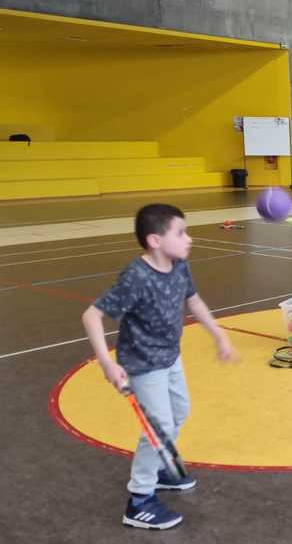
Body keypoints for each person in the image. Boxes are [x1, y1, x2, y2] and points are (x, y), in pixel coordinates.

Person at [81, 203, 235, 530]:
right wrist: (106, 362)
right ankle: (139, 500)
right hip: (142, 363)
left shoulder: (179, 265)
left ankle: (160, 468)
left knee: (179, 411)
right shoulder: (136, 277)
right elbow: (91, 315)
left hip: (170, 356)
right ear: (155, 240)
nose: (189, 238)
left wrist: (218, 335)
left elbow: (193, 300)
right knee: (159, 427)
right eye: (181, 233)